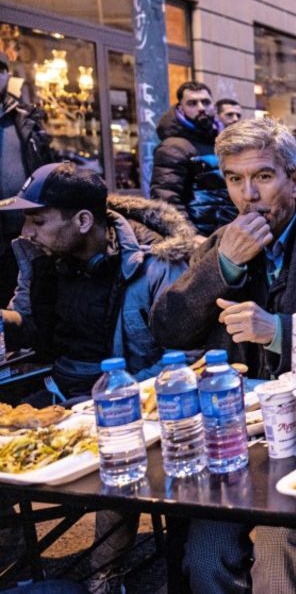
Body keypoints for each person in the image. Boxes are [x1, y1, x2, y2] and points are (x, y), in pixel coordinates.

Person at [150, 117, 296, 594]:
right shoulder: (223, 242)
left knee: (280, 556)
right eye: (235, 179)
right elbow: (168, 327)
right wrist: (222, 267)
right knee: (206, 554)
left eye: (262, 176)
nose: (248, 195)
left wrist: (278, 331)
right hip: (235, 434)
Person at [0, 162, 196, 592]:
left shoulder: (158, 262)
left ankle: (105, 576)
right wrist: (4, 321)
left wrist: (115, 397)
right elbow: (30, 323)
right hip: (57, 397)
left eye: (37, 220)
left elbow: (186, 358)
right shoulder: (42, 257)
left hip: (128, 398)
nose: (27, 232)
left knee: (117, 452)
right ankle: (12, 565)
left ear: (84, 220)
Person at [150, 81, 237, 236]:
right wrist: (191, 236)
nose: (201, 108)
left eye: (205, 102)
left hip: (227, 233)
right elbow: (166, 199)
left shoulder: (219, 141)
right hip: (200, 238)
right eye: (192, 103)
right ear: (180, 109)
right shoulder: (172, 147)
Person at [0, 53, 53, 306]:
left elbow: (47, 166)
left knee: (30, 301)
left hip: (26, 231)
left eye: (1, 70)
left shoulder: (25, 120)